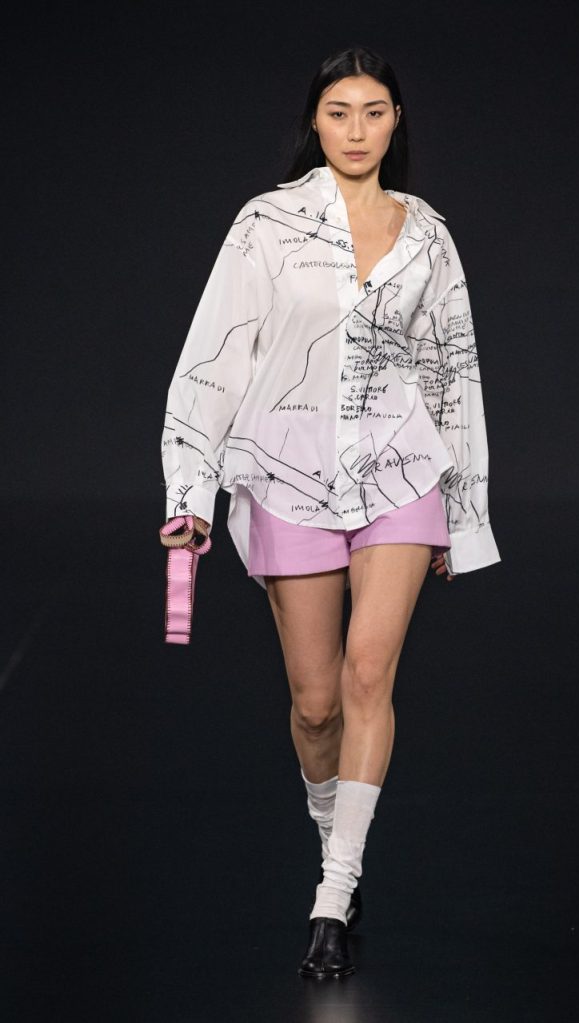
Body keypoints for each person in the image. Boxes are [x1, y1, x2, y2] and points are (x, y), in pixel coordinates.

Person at [160, 45, 501, 979]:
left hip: (401, 470)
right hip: (285, 470)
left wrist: (461, 511)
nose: (357, 130)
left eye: (374, 111)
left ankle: (332, 894)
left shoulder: (427, 235)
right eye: (339, 111)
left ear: (397, 121)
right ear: (314, 121)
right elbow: (215, 356)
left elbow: (452, 371)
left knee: (366, 672)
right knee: (314, 706)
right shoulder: (265, 224)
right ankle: (332, 845)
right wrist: (189, 492)